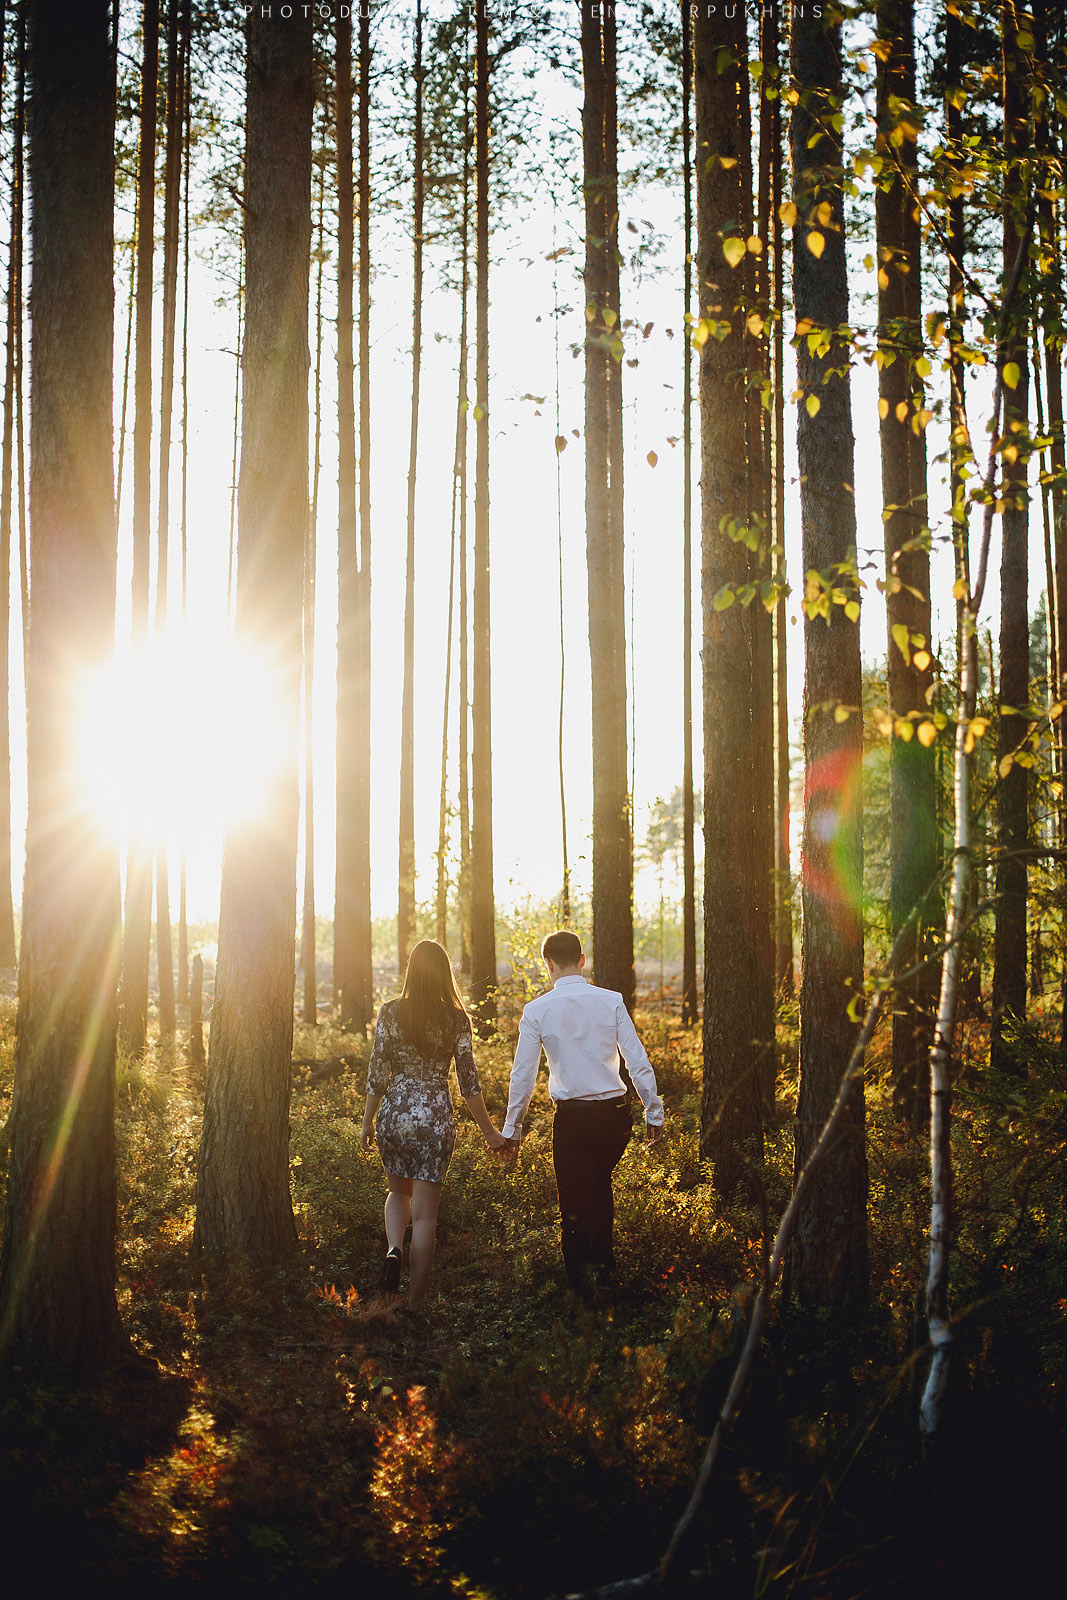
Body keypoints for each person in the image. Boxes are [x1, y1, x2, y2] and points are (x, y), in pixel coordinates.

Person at [500, 930, 664, 1299]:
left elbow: (523, 1075)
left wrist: (513, 1128)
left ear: (548, 965)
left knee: (574, 1201)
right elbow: (637, 1061)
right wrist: (654, 1113)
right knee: (599, 1185)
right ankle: (604, 1274)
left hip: (572, 1119)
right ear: (583, 960)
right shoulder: (611, 1001)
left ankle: (581, 1291)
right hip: (614, 1117)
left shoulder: (537, 1011)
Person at [361, 939, 508, 1310]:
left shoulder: (389, 1012)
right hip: (435, 1118)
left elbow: (377, 1072)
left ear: (411, 970)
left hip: (394, 1114)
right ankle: (414, 1304)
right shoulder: (456, 1019)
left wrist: (367, 1121)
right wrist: (490, 1132)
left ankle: (393, 1249)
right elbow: (468, 1083)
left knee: (398, 1192)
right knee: (425, 1217)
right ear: (445, 974)